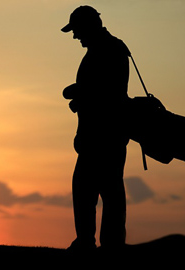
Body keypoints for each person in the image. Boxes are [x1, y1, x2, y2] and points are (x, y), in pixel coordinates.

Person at [61, 6, 130, 251]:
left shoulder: (108, 50)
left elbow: (109, 93)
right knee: (96, 190)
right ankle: (97, 243)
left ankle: (102, 244)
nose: (75, 36)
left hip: (104, 137)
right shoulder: (108, 48)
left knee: (98, 190)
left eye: (76, 30)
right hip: (102, 135)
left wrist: (79, 93)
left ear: (87, 26)